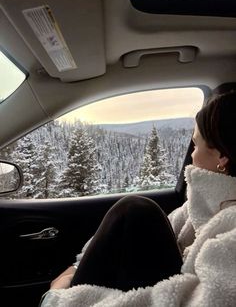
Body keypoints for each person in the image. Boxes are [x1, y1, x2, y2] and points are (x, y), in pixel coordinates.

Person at [40, 83, 236, 306]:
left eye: (195, 145)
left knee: (136, 209)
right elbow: (161, 229)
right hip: (174, 283)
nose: (192, 156)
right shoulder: (205, 203)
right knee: (135, 211)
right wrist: (78, 267)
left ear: (222, 158)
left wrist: (63, 300)